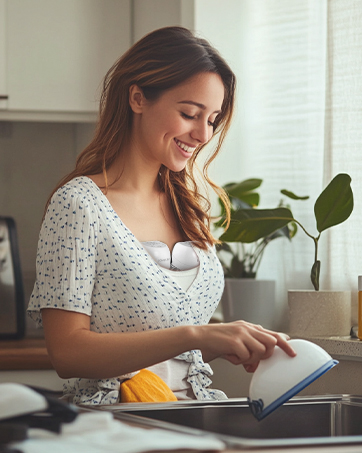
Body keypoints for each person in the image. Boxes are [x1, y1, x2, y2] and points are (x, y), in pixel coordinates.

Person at [28, 26, 296, 405]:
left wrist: (228, 341)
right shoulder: (79, 205)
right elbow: (67, 353)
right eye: (190, 113)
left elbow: (174, 341)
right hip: (115, 424)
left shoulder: (188, 206)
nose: (203, 134)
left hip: (195, 412)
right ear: (138, 98)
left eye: (212, 119)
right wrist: (197, 336)